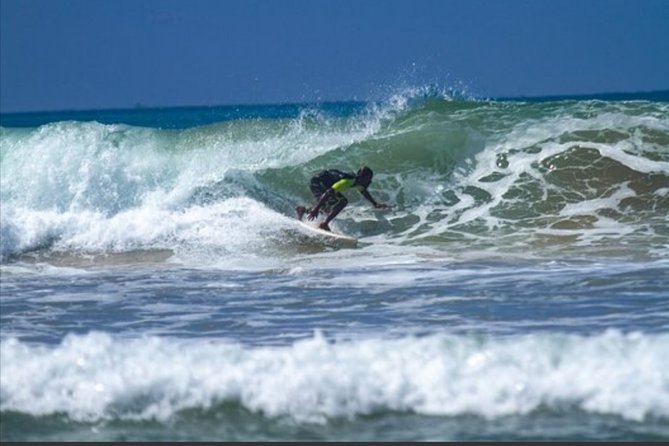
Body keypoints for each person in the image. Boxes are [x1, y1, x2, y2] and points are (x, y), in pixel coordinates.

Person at [295, 166, 388, 231]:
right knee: (342, 202)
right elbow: (328, 193)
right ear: (362, 178)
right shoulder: (347, 181)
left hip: (324, 183)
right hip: (317, 183)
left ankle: (303, 210)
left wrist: (375, 204)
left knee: (327, 208)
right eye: (369, 179)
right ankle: (324, 224)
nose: (370, 182)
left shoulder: (357, 182)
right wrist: (316, 208)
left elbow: (364, 192)